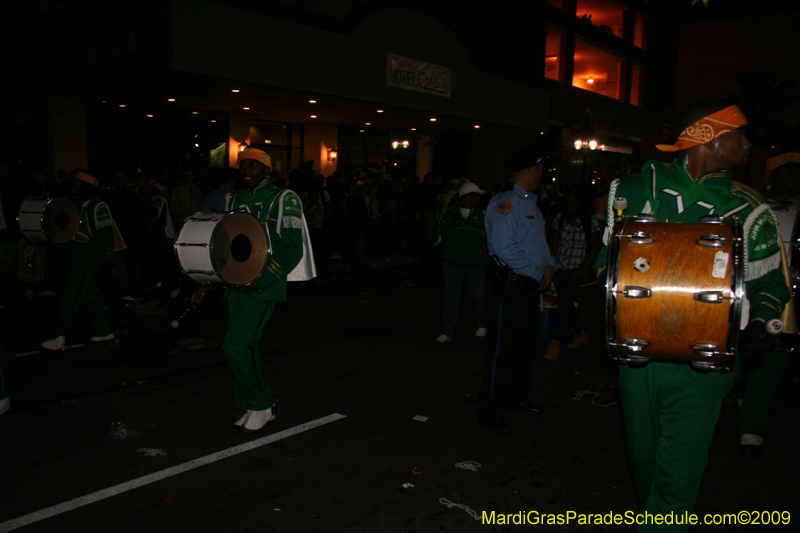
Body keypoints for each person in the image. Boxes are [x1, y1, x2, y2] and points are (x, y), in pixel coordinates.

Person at [595, 100, 791, 531]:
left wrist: (760, 321)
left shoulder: (749, 207)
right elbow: (604, 263)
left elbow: (771, 283)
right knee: (644, 464)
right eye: (739, 135)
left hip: (703, 368)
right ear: (710, 138)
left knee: (677, 477)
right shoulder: (632, 189)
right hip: (638, 358)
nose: (746, 144)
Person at [192, 147, 305, 434]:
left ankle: (261, 402)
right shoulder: (234, 199)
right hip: (235, 285)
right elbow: (223, 246)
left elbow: (292, 249)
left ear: (268, 170)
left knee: (234, 346)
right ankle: (253, 404)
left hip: (263, 286)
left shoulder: (283, 198)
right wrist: (207, 281)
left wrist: (261, 279)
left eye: (255, 166)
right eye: (243, 166)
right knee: (247, 346)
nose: (247, 171)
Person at [478, 144, 556, 434]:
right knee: (502, 350)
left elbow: (539, 242)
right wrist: (539, 273)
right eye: (541, 170)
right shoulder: (506, 203)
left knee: (523, 348)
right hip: (509, 287)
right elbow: (504, 248)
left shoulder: (529, 201)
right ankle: (489, 407)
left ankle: (515, 397)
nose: (542, 175)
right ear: (532, 170)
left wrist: (550, 265)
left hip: (528, 287)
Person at [735, 152, 800, 455]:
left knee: (774, 352)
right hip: (749, 287)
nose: (795, 174)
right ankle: (741, 392)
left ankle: (753, 422)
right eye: (788, 170)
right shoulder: (751, 204)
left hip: (786, 292)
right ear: (771, 175)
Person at [41, 171, 118, 351]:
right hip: (79, 257)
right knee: (89, 296)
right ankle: (104, 332)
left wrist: (109, 261)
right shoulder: (76, 203)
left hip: (88, 258)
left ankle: (60, 337)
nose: (73, 186)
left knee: (71, 296)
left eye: (76, 183)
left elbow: (107, 236)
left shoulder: (98, 206)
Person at [424, 182, 489, 343]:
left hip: (475, 263)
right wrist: (430, 229)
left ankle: (483, 324)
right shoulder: (447, 215)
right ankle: (447, 332)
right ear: (466, 196)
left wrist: (488, 244)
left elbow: (493, 235)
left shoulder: (483, 215)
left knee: (477, 296)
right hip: (452, 263)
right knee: (451, 297)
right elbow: (438, 239)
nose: (477, 198)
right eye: (475, 195)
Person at [544, 186, 602, 361]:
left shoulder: (589, 221)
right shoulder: (559, 219)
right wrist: (551, 266)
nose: (570, 205)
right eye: (567, 201)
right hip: (560, 269)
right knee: (566, 304)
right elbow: (554, 244)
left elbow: (594, 247)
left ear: (580, 204)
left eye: (574, 202)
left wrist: (582, 268)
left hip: (576, 270)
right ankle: (583, 333)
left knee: (564, 306)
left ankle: (555, 343)